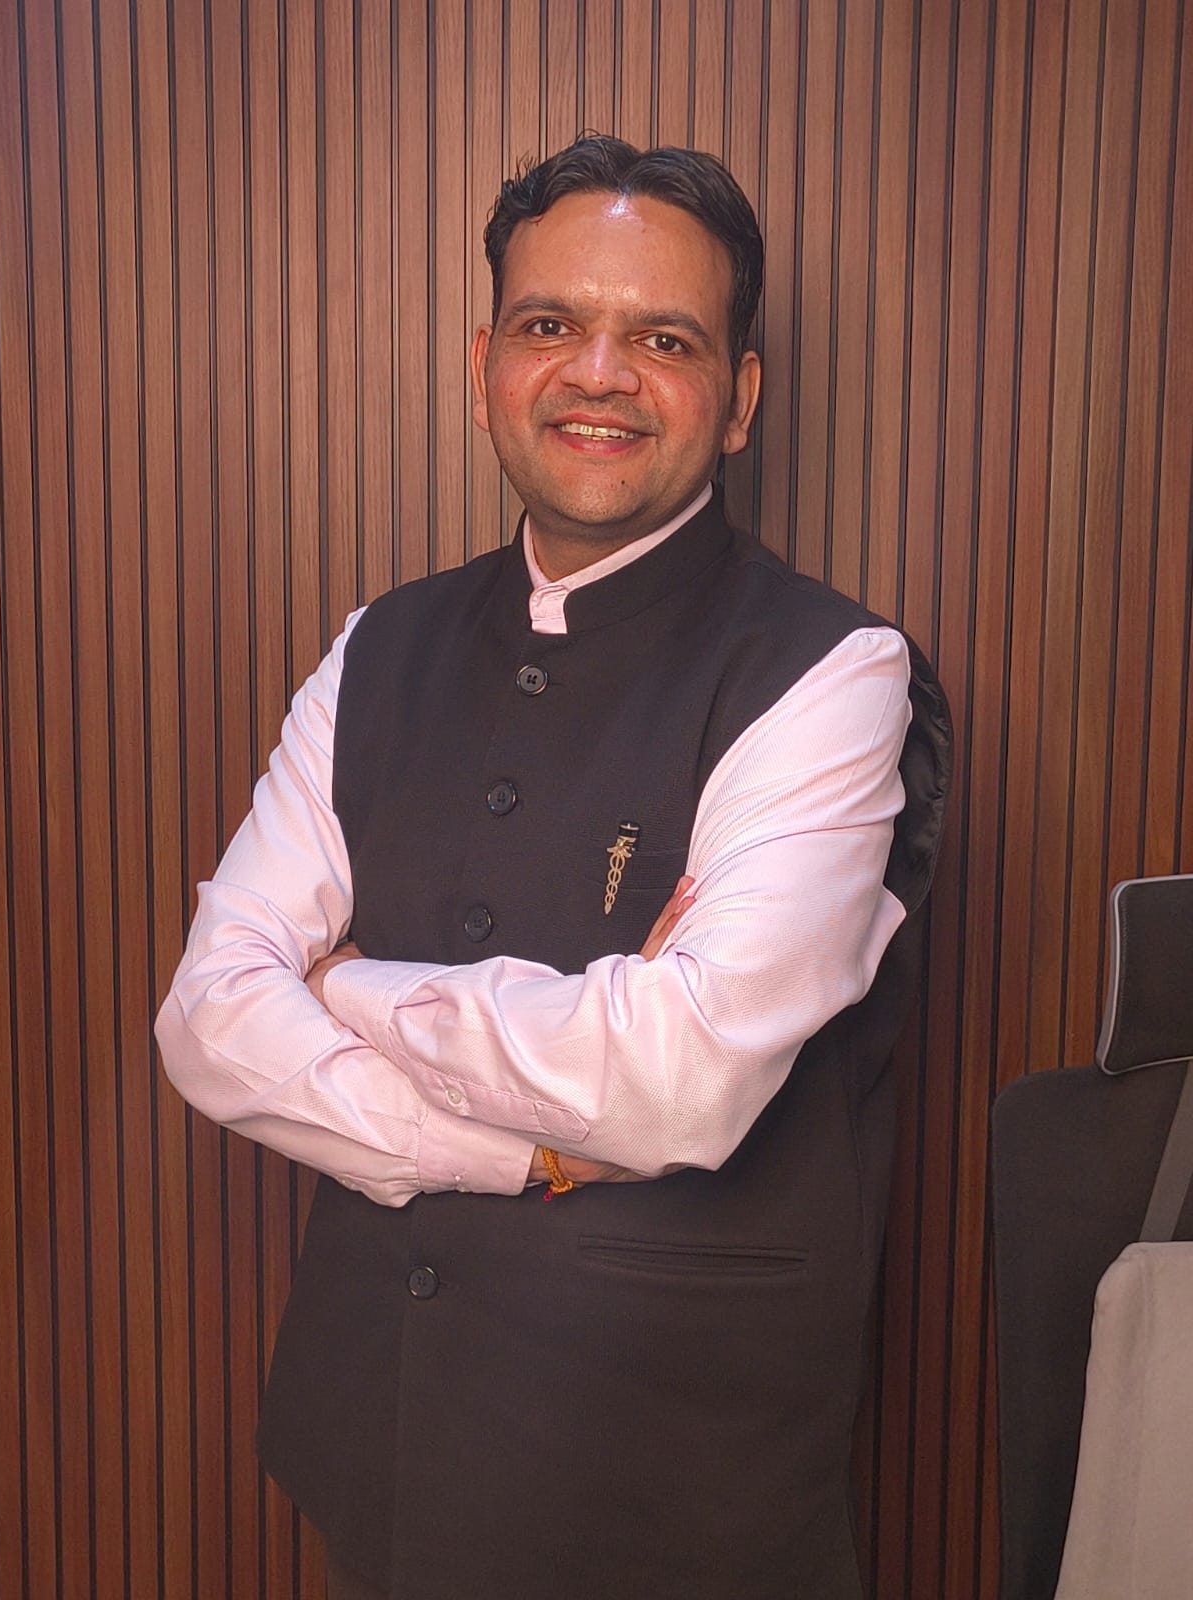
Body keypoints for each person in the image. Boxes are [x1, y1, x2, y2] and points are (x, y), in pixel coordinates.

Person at [157, 135, 950, 1600]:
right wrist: (516, 1149)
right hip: (377, 1447)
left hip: (678, 1491)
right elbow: (208, 1015)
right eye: (550, 325)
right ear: (485, 371)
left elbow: (679, 1076)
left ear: (739, 400)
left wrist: (342, 989)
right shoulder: (376, 646)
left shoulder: (837, 672)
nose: (599, 374)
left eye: (663, 339)